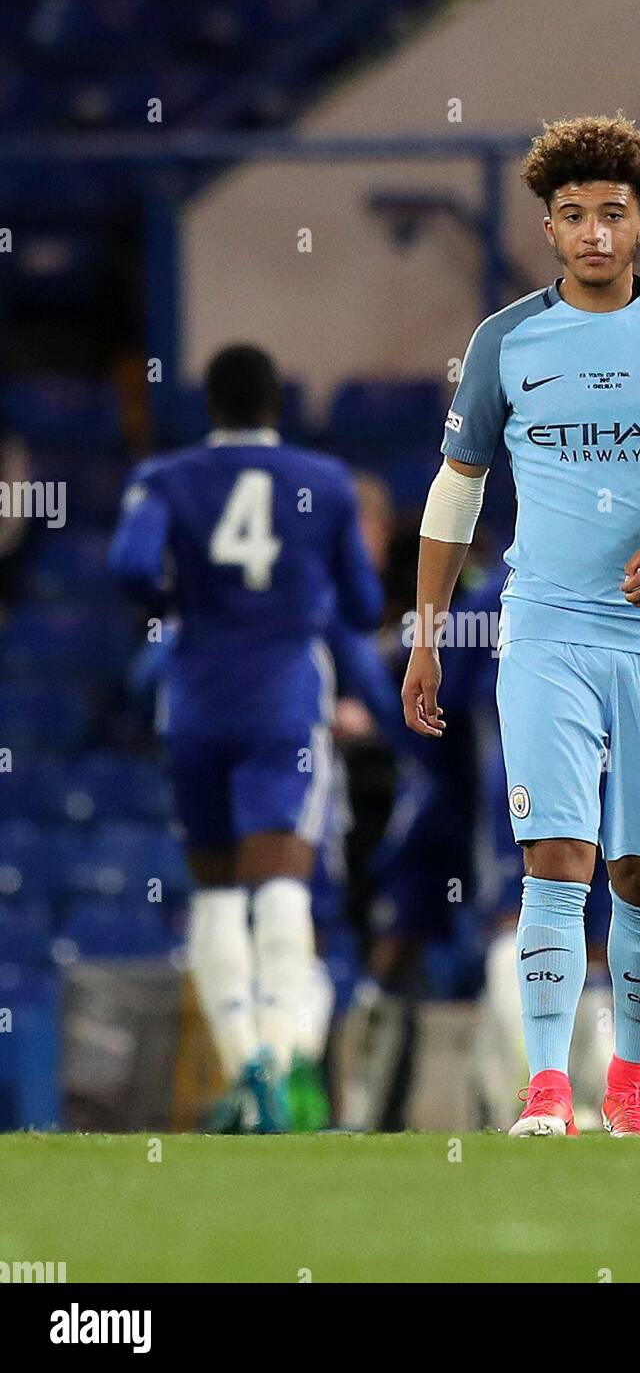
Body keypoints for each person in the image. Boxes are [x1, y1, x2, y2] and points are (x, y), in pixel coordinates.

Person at [402, 114, 640, 1137]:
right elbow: (453, 494)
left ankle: (633, 1083)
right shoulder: (504, 341)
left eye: (610, 214)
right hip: (544, 630)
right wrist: (427, 633)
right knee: (553, 855)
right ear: (549, 228)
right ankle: (547, 1091)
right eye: (571, 216)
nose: (592, 232)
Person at [109, 344, 382, 1132]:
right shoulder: (325, 482)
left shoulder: (163, 479)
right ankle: (274, 1052)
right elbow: (362, 606)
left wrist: (182, 593)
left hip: (195, 696)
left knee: (217, 890)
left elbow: (129, 570)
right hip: (281, 699)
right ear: (276, 404)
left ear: (210, 407)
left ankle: (244, 1066)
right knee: (283, 884)